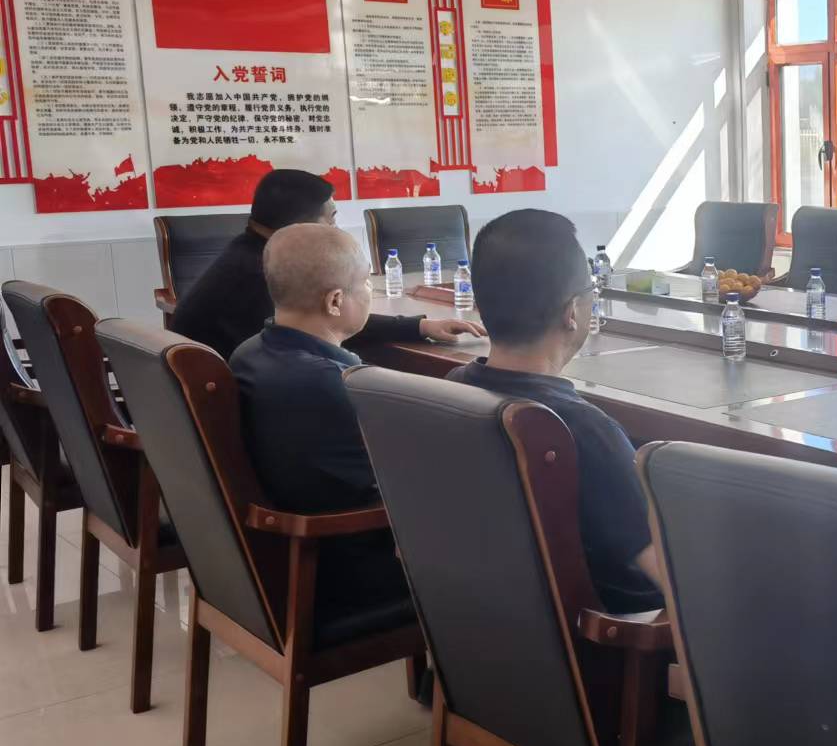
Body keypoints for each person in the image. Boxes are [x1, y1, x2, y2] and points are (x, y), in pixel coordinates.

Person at [445, 209, 662, 613]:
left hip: (489, 624)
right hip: (615, 635)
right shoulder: (584, 430)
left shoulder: (452, 389)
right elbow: (670, 576)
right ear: (572, 312)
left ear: (478, 302)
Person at [229, 223, 414, 644]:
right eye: (365, 282)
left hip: (295, 555)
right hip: (350, 568)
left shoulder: (249, 353)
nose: (370, 291)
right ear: (335, 301)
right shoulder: (335, 383)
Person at [171, 170, 483, 359]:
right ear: (301, 227)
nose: (336, 229)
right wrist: (415, 328)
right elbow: (325, 323)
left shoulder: (250, 254)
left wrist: (419, 326)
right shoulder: (262, 272)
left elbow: (323, 317)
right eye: (331, 219)